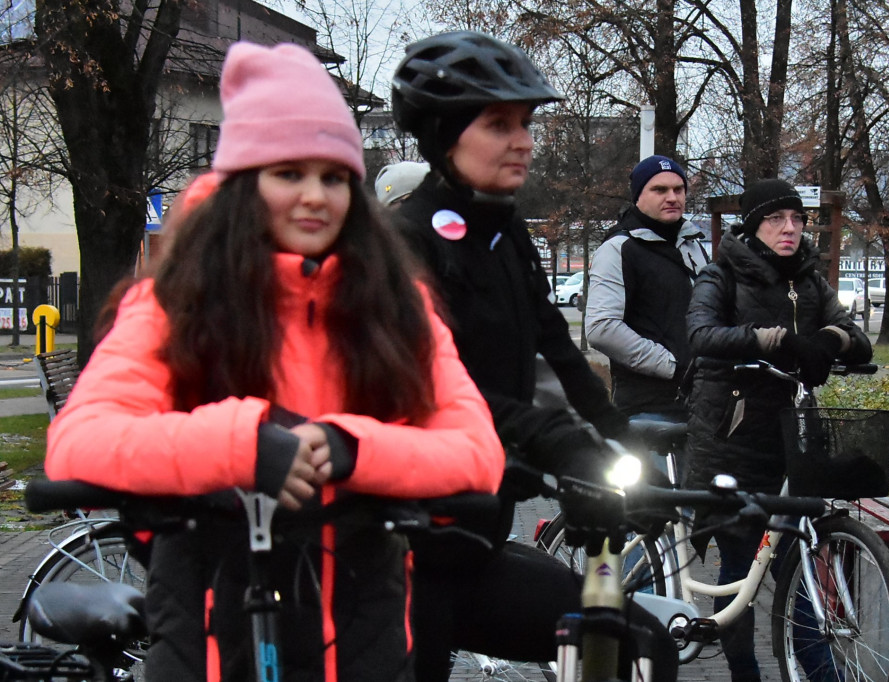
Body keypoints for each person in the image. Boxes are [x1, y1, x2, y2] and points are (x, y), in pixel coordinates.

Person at [44, 41, 505, 682]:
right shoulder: (174, 302)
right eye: (289, 174)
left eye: (335, 176)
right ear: (243, 186)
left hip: (363, 629)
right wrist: (240, 444)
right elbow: (79, 443)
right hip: (212, 628)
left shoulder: (398, 305)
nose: (316, 197)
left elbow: (476, 450)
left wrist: (353, 448)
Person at [389, 30, 678, 682]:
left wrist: (620, 439)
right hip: (404, 550)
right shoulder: (405, 243)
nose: (523, 140)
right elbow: (431, 387)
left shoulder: (505, 233)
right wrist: (555, 445)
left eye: (525, 123)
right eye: (499, 124)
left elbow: (557, 344)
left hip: (475, 542)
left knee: (636, 642)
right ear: (442, 132)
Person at [684, 178, 872, 682]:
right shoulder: (722, 273)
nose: (789, 228)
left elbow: (857, 338)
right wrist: (772, 340)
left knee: (800, 569)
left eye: (797, 219)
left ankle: (821, 675)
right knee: (741, 570)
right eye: (775, 219)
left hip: (794, 439)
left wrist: (828, 341)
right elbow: (700, 334)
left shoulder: (809, 278)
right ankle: (748, 674)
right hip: (732, 440)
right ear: (754, 226)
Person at [586, 154, 710, 424]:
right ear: (638, 196)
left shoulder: (693, 246)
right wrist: (672, 366)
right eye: (659, 189)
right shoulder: (618, 249)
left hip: (701, 403)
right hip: (647, 409)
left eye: (679, 190)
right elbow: (601, 327)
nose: (672, 197)